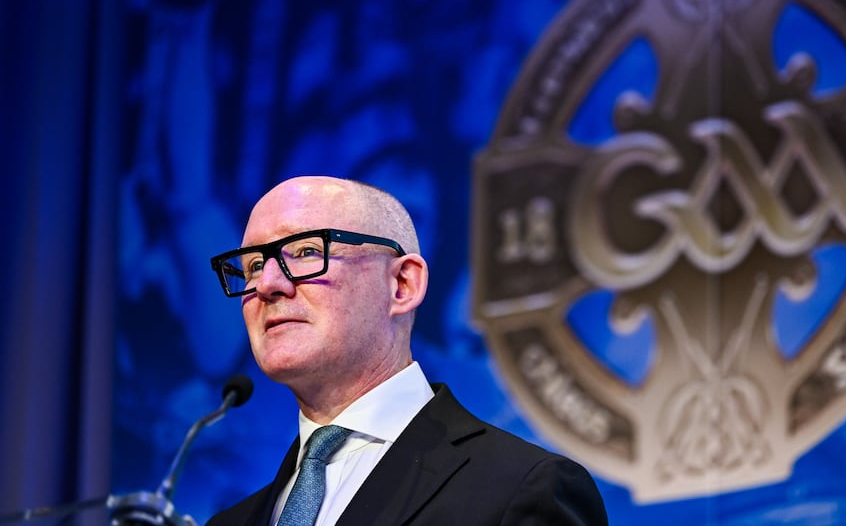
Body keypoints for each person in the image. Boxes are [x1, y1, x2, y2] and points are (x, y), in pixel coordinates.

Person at [205, 175, 608, 525]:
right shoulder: (229, 521)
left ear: (402, 285)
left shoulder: (521, 489)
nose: (267, 284)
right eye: (254, 265)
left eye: (308, 252)